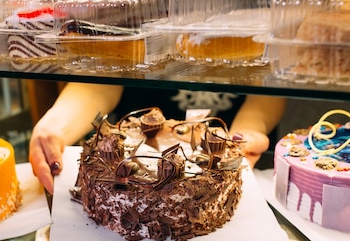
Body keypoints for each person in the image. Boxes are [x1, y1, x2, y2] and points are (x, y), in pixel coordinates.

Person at [29, 81, 286, 194]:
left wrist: (247, 132)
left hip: (225, 164)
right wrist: (58, 123)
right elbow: (103, 75)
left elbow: (269, 80)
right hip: (133, 155)